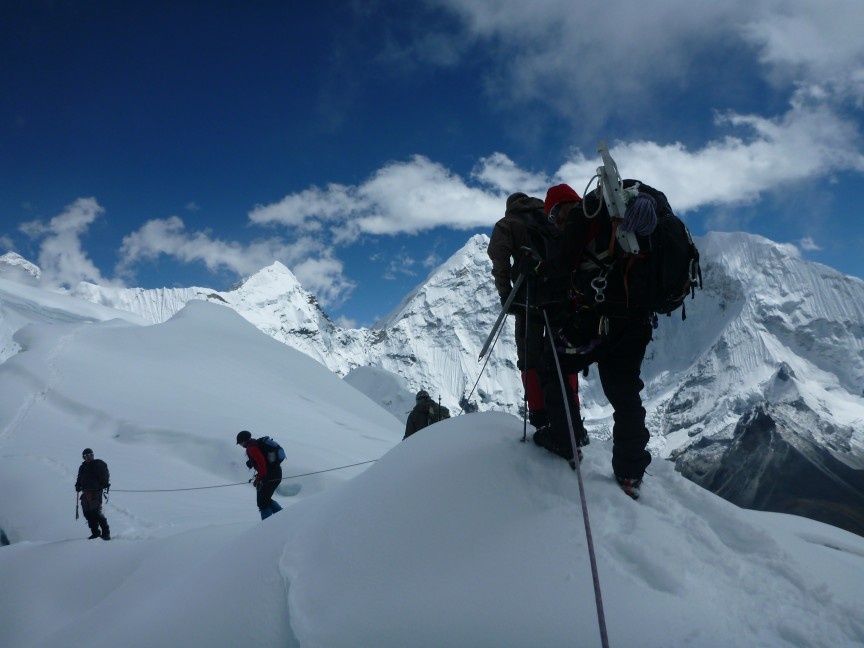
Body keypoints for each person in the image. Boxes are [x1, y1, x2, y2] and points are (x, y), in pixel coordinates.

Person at [534, 182, 653, 499]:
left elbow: (561, 269)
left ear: (561, 209)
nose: (556, 223)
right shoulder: (614, 216)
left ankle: (564, 438)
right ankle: (630, 473)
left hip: (597, 321)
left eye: (553, 215)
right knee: (625, 391)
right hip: (637, 321)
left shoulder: (581, 220)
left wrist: (537, 269)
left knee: (553, 361)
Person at [487, 192, 551, 430]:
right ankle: (568, 413)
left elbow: (499, 258)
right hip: (560, 295)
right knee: (561, 353)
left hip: (528, 296)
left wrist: (505, 294)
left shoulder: (508, 224)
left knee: (529, 355)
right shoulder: (549, 217)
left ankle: (538, 414)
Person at [236, 430, 283, 519]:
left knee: (262, 502)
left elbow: (261, 462)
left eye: (240, 443)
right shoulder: (255, 444)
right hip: (275, 473)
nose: (240, 445)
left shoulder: (251, 448)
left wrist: (261, 477)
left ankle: (267, 525)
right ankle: (281, 517)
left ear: (243, 441)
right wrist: (251, 463)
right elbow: (261, 459)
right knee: (265, 499)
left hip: (270, 476)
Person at [75, 448, 111, 540]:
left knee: (96, 512)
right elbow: (79, 478)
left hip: (96, 492)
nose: (89, 457)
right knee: (87, 513)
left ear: (93, 455)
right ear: (83, 457)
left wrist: (104, 484)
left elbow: (105, 475)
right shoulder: (82, 467)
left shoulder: (98, 464)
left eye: (90, 454)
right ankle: (95, 533)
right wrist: (78, 485)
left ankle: (106, 533)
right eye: (86, 455)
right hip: (85, 492)